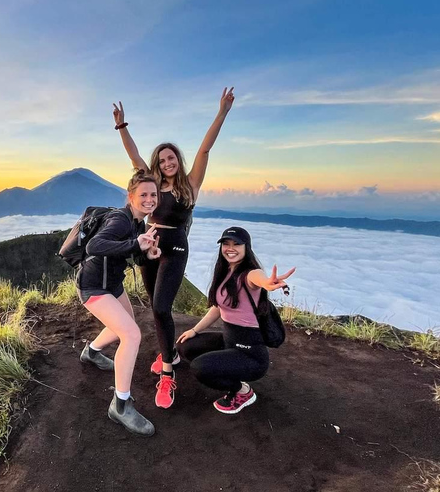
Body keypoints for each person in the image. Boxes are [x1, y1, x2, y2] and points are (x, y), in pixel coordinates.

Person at [112, 88, 235, 409]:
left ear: (178, 161)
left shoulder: (190, 184)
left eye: (171, 158)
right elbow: (134, 158)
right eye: (162, 159)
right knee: (155, 307)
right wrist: (122, 127)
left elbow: (206, 149)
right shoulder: (151, 182)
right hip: (149, 248)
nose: (167, 162)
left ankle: (168, 373)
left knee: (163, 308)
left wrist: (221, 112)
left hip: (176, 248)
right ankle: (170, 352)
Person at [175, 226, 295, 414]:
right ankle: (227, 365)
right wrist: (195, 330)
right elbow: (217, 308)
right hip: (229, 341)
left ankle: (242, 391)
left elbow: (259, 278)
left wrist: (268, 283)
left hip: (251, 355)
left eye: (236, 244)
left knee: (200, 368)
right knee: (185, 346)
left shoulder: (249, 274)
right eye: (226, 244)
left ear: (246, 247)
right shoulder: (225, 272)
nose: (230, 248)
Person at [78, 170, 162, 436]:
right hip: (93, 286)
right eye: (143, 195)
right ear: (131, 196)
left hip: (111, 285)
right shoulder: (120, 220)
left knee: (124, 326)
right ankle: (121, 405)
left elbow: (130, 252)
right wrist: (136, 242)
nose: (149, 199)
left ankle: (91, 352)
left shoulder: (137, 222)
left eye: (153, 195)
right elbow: (95, 246)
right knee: (131, 334)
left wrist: (147, 252)